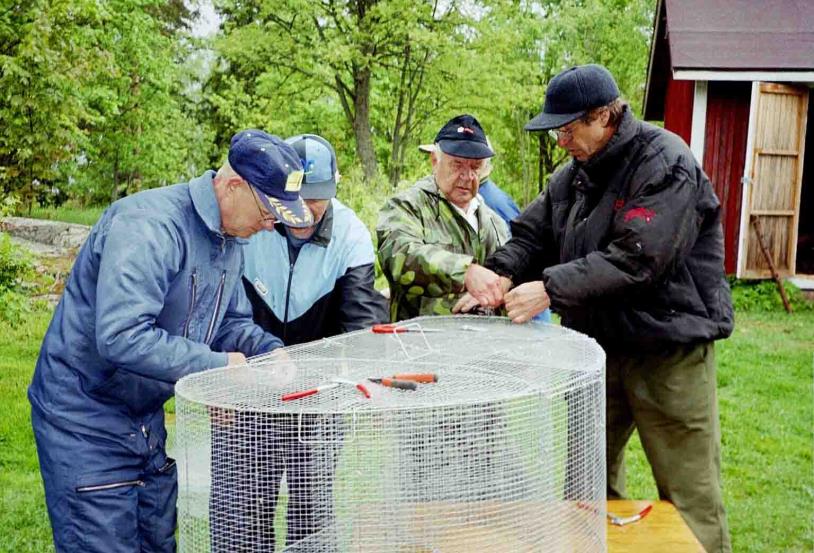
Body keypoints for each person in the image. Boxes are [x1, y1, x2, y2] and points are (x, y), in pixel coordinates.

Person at [459, 64, 734, 552]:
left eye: (568, 130)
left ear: (604, 117)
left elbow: (638, 257)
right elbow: (531, 235)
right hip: (596, 352)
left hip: (667, 351)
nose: (561, 141)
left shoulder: (665, 161)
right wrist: (499, 275)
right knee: (586, 487)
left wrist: (548, 289)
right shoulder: (572, 177)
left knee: (689, 490)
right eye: (557, 131)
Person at [28, 129, 313, 553]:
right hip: (83, 418)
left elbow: (230, 323)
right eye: (268, 212)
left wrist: (272, 354)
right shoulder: (148, 226)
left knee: (156, 543)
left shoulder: (231, 239)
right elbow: (121, 336)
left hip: (144, 420)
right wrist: (219, 369)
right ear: (233, 185)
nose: (270, 226)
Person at [209, 134, 388, 551]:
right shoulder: (249, 222)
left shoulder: (351, 237)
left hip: (319, 399)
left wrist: (363, 379)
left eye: (318, 199)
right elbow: (218, 310)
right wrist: (220, 373)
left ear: (335, 187)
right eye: (297, 199)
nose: (305, 212)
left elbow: (362, 326)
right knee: (241, 514)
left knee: (314, 516)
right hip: (248, 395)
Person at [378, 114, 509, 321]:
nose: (467, 177)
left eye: (475, 167)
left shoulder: (494, 221)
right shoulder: (407, 206)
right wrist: (465, 272)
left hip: (484, 345)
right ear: (434, 161)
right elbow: (399, 255)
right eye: (457, 164)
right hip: (421, 345)